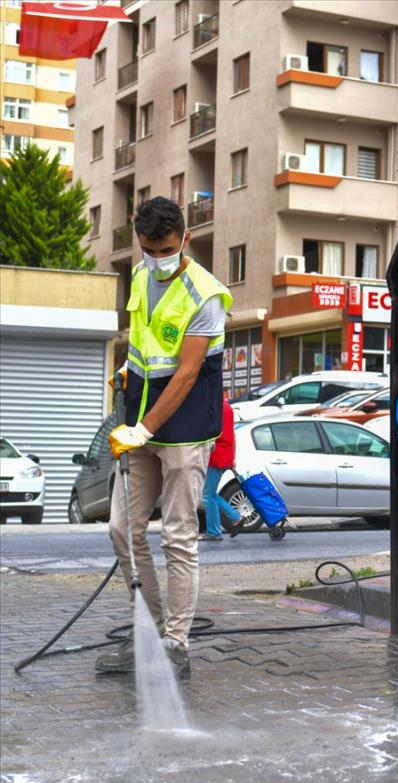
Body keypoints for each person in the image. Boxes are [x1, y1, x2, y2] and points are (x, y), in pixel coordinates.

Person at [97, 197, 232, 681]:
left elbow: (187, 373)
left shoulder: (206, 294)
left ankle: (176, 643)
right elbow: (142, 347)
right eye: (149, 250)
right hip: (141, 423)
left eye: (167, 250)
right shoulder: (138, 277)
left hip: (184, 430)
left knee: (178, 537)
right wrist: (123, 377)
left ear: (186, 240)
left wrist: (143, 429)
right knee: (122, 530)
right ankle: (150, 636)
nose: (158, 259)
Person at [199, 392, 244, 541]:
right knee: (210, 494)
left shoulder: (214, 408)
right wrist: (233, 457)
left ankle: (214, 531)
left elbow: (208, 434)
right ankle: (234, 517)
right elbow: (233, 435)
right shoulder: (227, 408)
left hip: (216, 456)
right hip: (225, 455)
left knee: (207, 495)